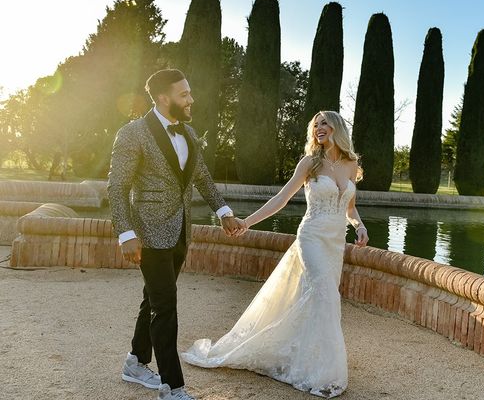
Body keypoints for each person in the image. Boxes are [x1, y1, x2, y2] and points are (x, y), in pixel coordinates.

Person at [182, 111, 369, 398]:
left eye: (324, 123)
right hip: (311, 237)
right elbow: (281, 199)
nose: (318, 128)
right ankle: (326, 373)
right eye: (315, 125)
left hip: (334, 243)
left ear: (337, 128)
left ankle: (307, 357)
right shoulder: (310, 163)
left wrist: (359, 226)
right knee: (325, 294)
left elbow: (350, 208)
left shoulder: (351, 164)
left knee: (321, 296)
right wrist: (246, 222)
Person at [107, 68, 246, 400]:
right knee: (165, 305)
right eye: (184, 94)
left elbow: (202, 177)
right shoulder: (133, 133)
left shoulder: (190, 134)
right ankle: (173, 385)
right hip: (148, 232)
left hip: (181, 231)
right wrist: (125, 234)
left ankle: (136, 362)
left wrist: (224, 211)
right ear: (164, 98)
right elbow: (116, 188)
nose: (191, 99)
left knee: (154, 299)